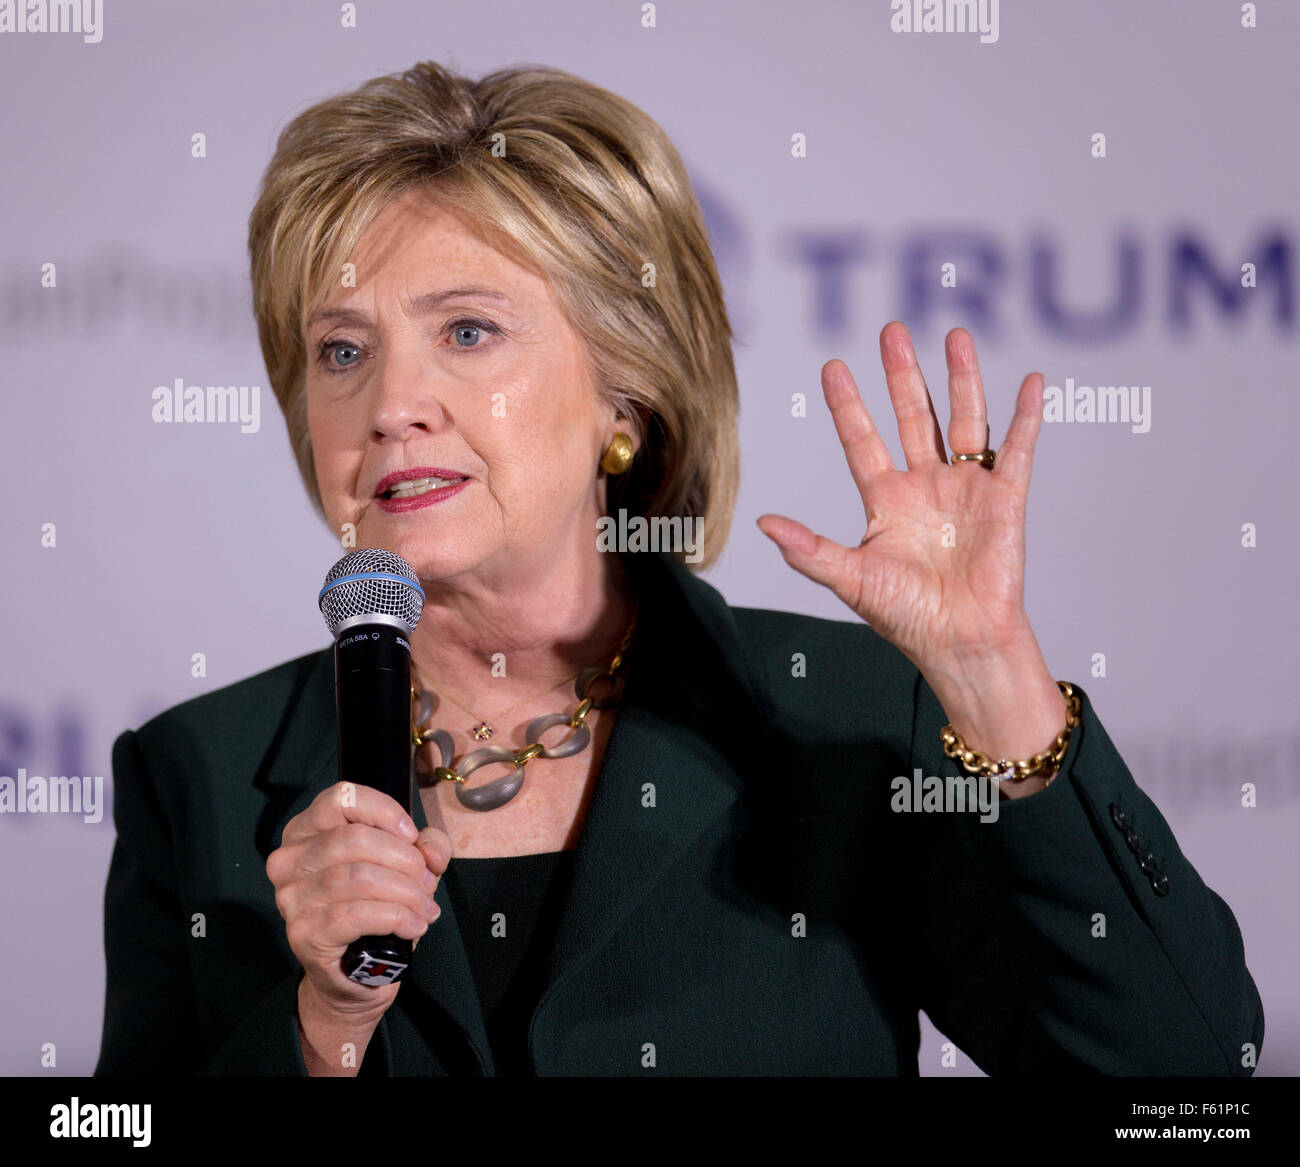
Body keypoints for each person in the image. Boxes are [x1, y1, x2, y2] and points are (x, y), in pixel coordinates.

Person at [95, 60, 1263, 1077]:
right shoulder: (194, 775)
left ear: (627, 396)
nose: (392, 405)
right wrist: (323, 1026)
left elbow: (1183, 1082)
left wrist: (996, 678)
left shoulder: (845, 722)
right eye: (341, 350)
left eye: (466, 331)